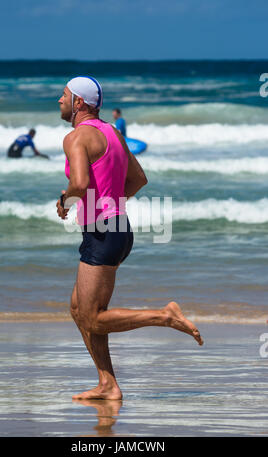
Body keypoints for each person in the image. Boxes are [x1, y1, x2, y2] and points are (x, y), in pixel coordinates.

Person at [57, 76, 203, 401]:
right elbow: (138, 179)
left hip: (102, 231)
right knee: (80, 308)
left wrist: (65, 199)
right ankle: (107, 384)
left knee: (92, 316)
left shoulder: (76, 137)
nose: (60, 101)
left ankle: (164, 315)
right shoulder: (113, 134)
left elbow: (79, 184)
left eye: (64, 96)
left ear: (79, 102)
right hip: (119, 228)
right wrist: (109, 203)